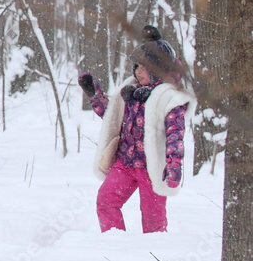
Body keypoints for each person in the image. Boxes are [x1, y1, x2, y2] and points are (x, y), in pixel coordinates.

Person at [79, 25, 194, 233]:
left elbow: (175, 135)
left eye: (144, 67)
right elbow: (112, 118)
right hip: (126, 164)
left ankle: (153, 259)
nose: (138, 72)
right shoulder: (132, 93)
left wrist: (174, 164)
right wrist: (95, 96)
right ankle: (115, 244)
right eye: (137, 67)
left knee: (153, 223)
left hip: (152, 169)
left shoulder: (168, 98)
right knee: (106, 201)